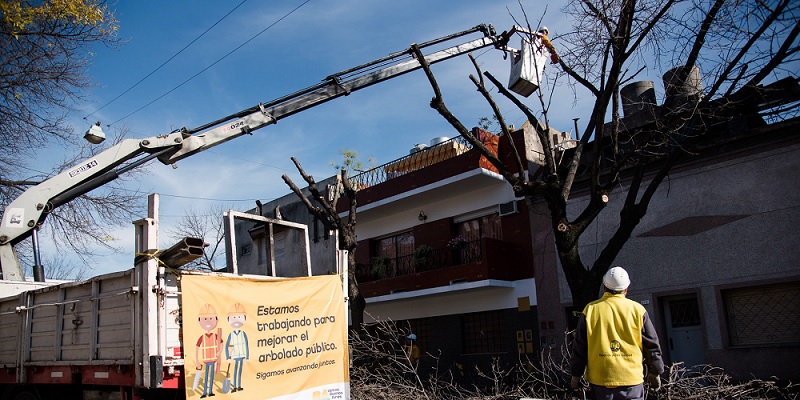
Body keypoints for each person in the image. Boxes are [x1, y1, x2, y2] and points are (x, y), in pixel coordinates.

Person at [570, 267, 664, 400]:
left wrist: (576, 375)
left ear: (604, 287)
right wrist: (655, 372)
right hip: (632, 381)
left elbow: (580, 347)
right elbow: (652, 345)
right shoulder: (638, 311)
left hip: (600, 381)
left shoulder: (590, 310)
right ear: (626, 288)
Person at [195, 304, 223, 398]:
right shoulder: (202, 337)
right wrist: (197, 360)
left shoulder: (215, 336)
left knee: (211, 377)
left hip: (213, 359)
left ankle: (210, 391)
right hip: (206, 361)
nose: (208, 322)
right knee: (206, 376)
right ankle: (204, 392)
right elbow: (197, 348)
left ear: (216, 321)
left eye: (211, 319)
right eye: (204, 319)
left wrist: (219, 352)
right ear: (199, 321)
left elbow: (221, 343)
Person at [225, 302, 249, 393]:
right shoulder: (231, 334)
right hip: (235, 356)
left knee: (239, 372)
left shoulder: (243, 334)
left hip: (242, 355)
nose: (236, 320)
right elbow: (227, 346)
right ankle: (235, 386)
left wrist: (247, 357)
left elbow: (246, 345)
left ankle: (239, 386)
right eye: (234, 317)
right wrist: (227, 357)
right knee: (235, 371)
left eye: (239, 317)